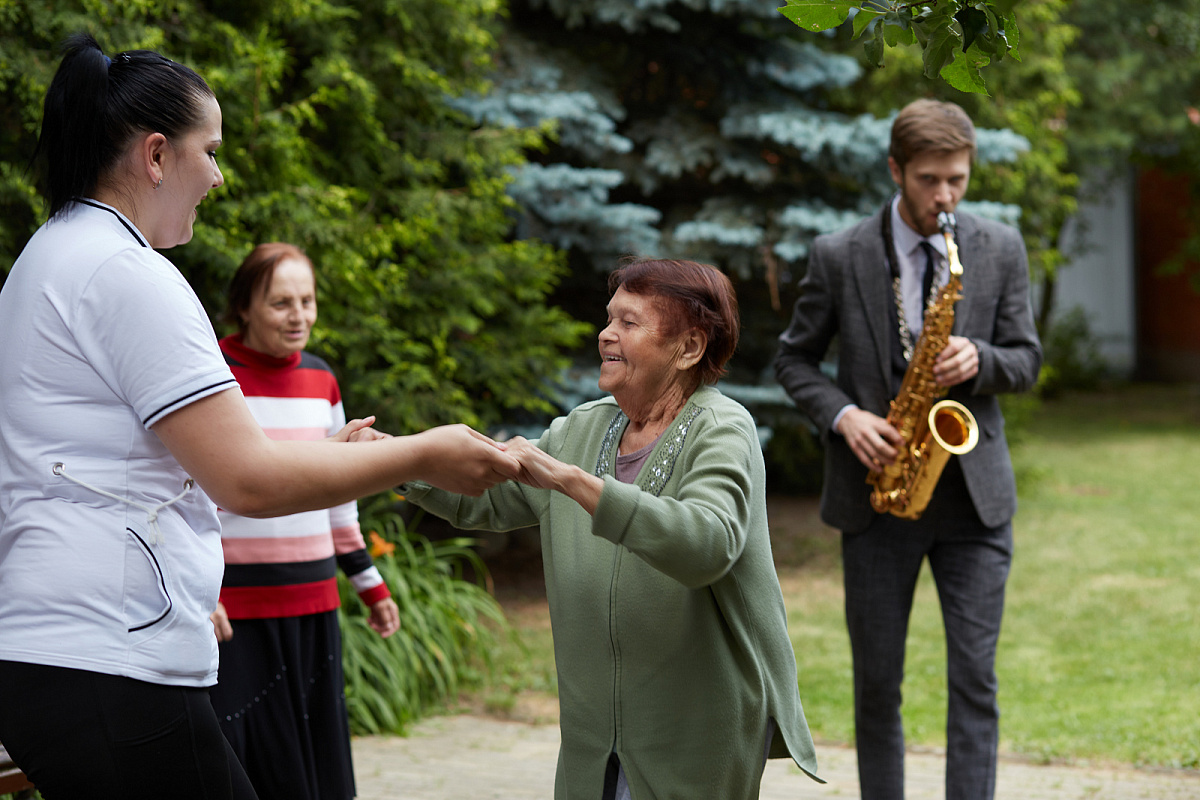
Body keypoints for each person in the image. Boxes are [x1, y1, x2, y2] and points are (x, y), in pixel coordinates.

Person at [0, 34, 517, 800]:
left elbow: (140, 460)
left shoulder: (50, 256)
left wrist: (327, 461)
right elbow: (249, 479)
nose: (216, 175)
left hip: (63, 647)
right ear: (155, 155)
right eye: (208, 151)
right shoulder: (129, 273)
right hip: (108, 653)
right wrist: (418, 455)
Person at [402, 258, 821, 799]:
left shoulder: (722, 429)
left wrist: (576, 483)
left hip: (692, 734)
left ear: (689, 348)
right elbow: (488, 498)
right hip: (592, 734)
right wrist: (396, 461)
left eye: (629, 322)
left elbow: (707, 543)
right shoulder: (585, 425)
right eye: (608, 319)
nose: (606, 334)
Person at [773, 98, 1043, 800]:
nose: (945, 196)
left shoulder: (999, 247)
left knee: (975, 681)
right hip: (877, 502)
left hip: (974, 504)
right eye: (929, 179)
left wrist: (979, 358)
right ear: (896, 170)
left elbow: (1027, 360)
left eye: (957, 178)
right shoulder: (838, 254)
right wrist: (845, 418)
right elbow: (794, 360)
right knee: (876, 684)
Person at [206, 242, 399, 800]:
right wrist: (200, 591)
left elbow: (339, 491)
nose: (299, 317)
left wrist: (370, 584)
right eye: (281, 303)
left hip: (313, 604)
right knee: (245, 772)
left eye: (307, 301)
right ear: (244, 306)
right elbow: (184, 493)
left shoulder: (322, 380)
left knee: (316, 771)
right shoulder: (212, 374)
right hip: (234, 613)